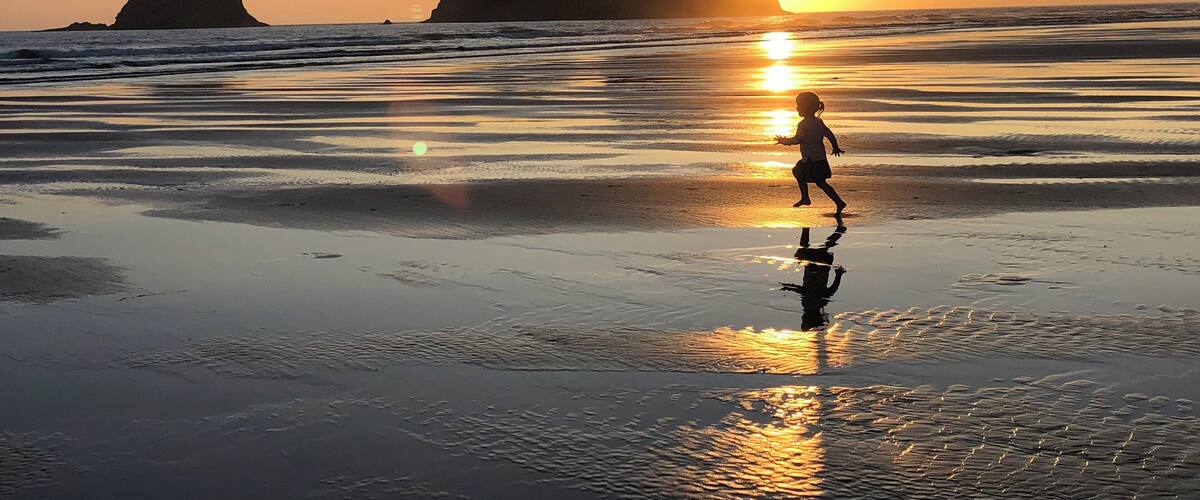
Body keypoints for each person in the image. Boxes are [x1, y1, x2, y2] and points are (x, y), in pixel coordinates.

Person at [774, 91, 848, 214]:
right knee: (820, 182)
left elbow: (798, 139)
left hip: (810, 159)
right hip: (819, 158)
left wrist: (784, 141)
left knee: (799, 172)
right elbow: (829, 134)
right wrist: (835, 147)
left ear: (806, 107)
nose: (797, 108)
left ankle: (806, 198)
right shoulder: (819, 122)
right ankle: (838, 202)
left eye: (799, 105)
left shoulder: (803, 124)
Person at [780, 219, 847, 331]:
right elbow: (803, 290)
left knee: (825, 247)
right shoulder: (808, 304)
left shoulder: (822, 303)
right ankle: (806, 228)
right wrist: (789, 287)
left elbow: (832, 289)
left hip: (824, 266)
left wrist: (838, 274)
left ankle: (839, 231)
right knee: (802, 251)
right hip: (813, 268)